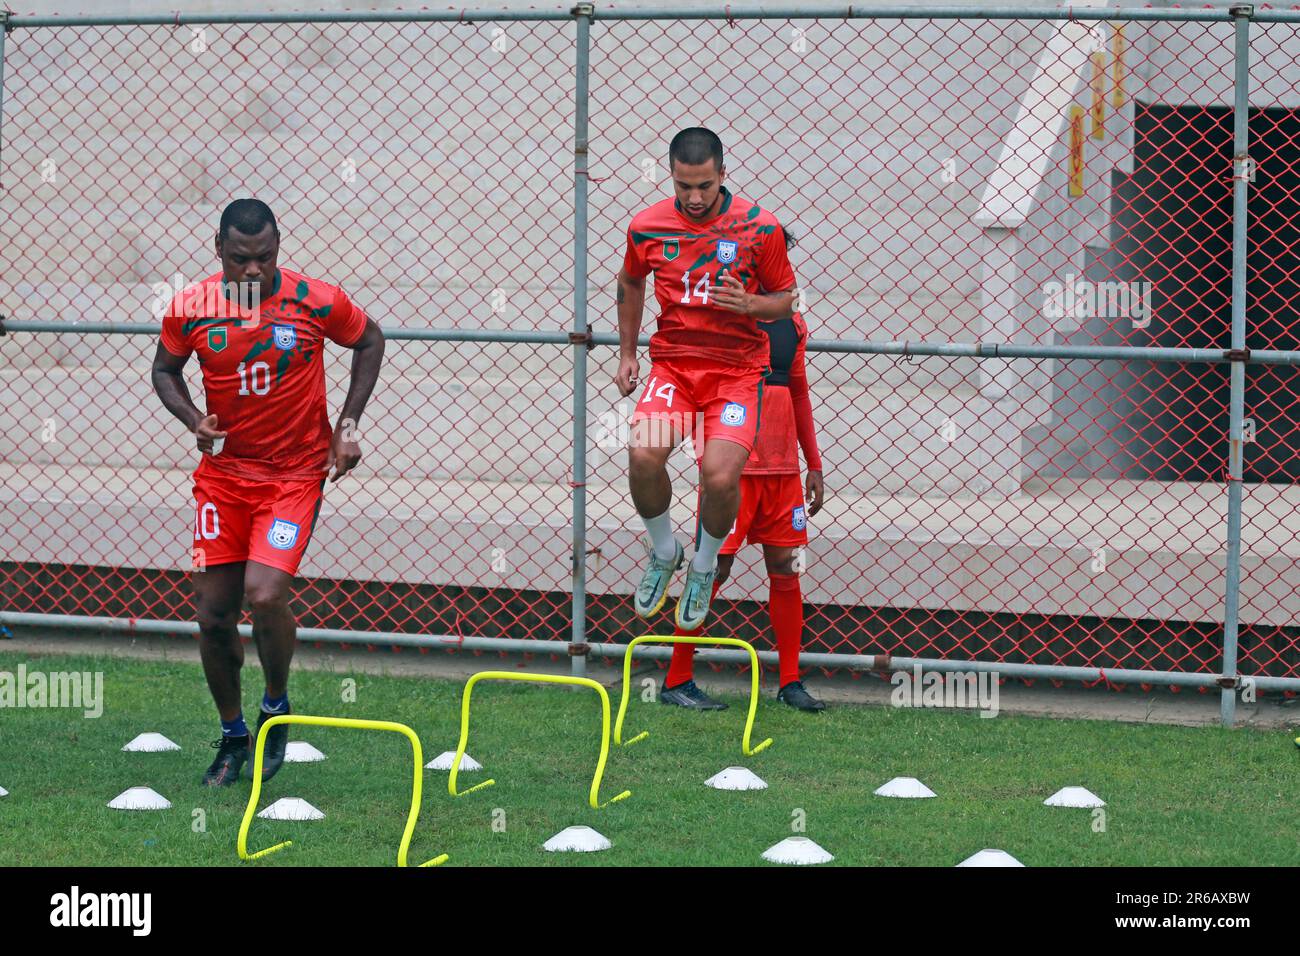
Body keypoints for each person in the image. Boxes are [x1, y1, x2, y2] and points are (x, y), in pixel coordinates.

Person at [150, 199, 385, 786]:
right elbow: (164, 370)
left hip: (293, 475)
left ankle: (276, 703)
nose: (252, 272)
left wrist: (347, 426)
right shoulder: (190, 307)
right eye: (239, 260)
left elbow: (370, 341)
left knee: (264, 591)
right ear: (217, 249)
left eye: (264, 258)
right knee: (212, 616)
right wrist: (191, 420)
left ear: (278, 246)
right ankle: (233, 735)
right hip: (224, 478)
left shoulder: (316, 300)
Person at [615, 128, 798, 657]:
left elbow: (786, 300)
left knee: (719, 475)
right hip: (673, 369)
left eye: (704, 185)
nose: (694, 198)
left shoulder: (759, 227)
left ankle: (701, 566)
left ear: (723, 174)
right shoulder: (647, 226)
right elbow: (630, 283)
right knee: (642, 455)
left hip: (737, 374)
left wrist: (751, 306)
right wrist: (628, 353)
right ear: (671, 176)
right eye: (683, 186)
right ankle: (664, 552)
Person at [662, 301, 828, 711]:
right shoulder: (720, 318)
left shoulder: (794, 323)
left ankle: (790, 681)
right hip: (733, 471)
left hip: (783, 471)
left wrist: (814, 463)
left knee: (786, 568)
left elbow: (799, 392)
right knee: (713, 568)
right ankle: (676, 679)